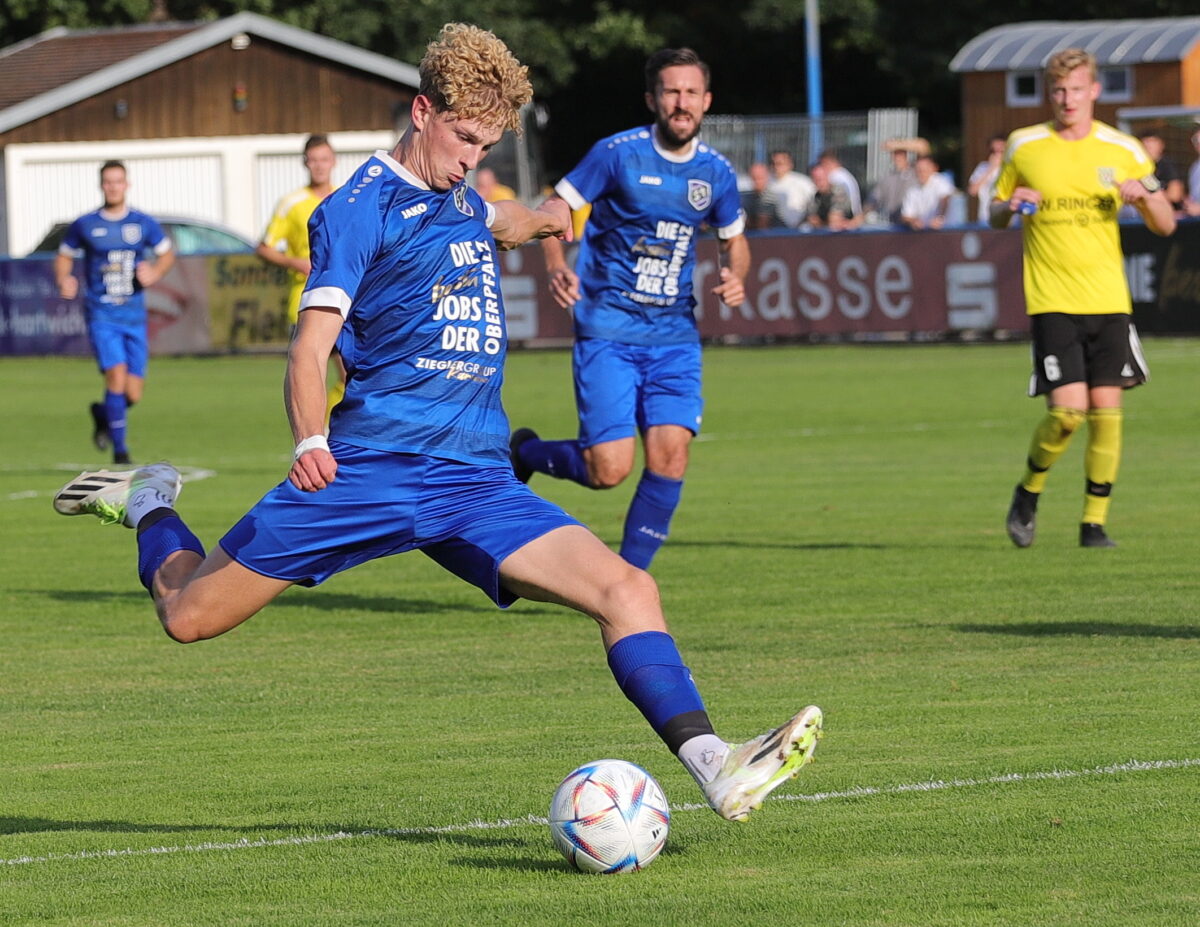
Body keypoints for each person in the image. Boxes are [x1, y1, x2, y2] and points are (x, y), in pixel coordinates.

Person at [52, 23, 821, 825]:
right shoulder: (357, 209)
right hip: (369, 469)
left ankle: (715, 762)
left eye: (486, 146)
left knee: (628, 589)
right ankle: (148, 501)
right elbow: (309, 346)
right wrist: (309, 439)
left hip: (475, 479)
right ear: (422, 112)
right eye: (463, 139)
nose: (471, 159)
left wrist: (548, 221)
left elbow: (505, 218)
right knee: (187, 616)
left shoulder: (464, 197)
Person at [512, 47, 751, 571]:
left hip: (675, 337)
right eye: (671, 91)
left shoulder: (716, 172)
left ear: (706, 101)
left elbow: (734, 240)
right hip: (609, 330)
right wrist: (555, 263)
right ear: (652, 99)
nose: (681, 102)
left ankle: (629, 583)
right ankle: (525, 453)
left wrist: (736, 275)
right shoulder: (617, 154)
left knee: (672, 457)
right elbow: (556, 206)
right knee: (608, 470)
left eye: (691, 92)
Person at [992, 48, 1175, 549]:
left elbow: (1165, 224)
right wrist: (1010, 206)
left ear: (1093, 90)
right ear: (1049, 93)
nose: (1067, 99)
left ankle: (1094, 524)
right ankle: (1028, 491)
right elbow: (993, 212)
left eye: (1076, 89)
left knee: (1108, 414)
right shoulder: (1024, 144)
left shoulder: (1123, 148)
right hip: (1051, 299)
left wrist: (1146, 197)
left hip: (1109, 299)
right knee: (1067, 414)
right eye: (1058, 90)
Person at [54, 160, 175, 465]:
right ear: (101, 185)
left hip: (134, 318)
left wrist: (156, 271)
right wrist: (63, 278)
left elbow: (166, 254)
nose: (113, 187)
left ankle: (103, 414)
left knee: (132, 394)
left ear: (127, 185)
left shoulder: (142, 223)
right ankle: (120, 453)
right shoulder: (85, 224)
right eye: (108, 182)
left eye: (118, 181)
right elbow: (64, 255)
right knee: (116, 377)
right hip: (101, 315)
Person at [256, 134, 345, 416]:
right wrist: (295, 262)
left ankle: (328, 427)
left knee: (349, 377)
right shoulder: (291, 203)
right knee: (311, 377)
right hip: (305, 300)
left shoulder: (346, 198)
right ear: (305, 163)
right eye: (313, 160)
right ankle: (314, 431)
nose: (319, 166)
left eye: (324, 160)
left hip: (343, 298)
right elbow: (264, 248)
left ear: (333, 162)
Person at [865, 138, 925, 226]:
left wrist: (897, 144)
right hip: (894, 224)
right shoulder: (888, 177)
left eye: (900, 153)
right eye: (894, 153)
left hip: (915, 224)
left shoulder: (915, 171)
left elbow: (923, 147)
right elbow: (873, 200)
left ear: (906, 154)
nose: (897, 157)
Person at [1133, 129, 1185, 213]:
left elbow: (1175, 195)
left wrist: (1149, 197)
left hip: (1171, 213)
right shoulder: (1137, 167)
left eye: (1151, 146)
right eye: (1145, 146)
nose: (1148, 149)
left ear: (1161, 145)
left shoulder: (1167, 165)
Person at [900, 155, 955, 230]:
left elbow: (945, 200)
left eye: (925, 169)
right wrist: (914, 221)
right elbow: (905, 216)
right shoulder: (912, 190)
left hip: (947, 231)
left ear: (933, 169)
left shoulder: (941, 182)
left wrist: (939, 219)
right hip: (923, 233)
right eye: (919, 170)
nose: (921, 172)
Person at [766, 150, 815, 228]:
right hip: (775, 228)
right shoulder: (766, 182)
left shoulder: (803, 181)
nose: (775, 167)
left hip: (800, 228)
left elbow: (815, 201)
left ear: (790, 165)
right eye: (773, 163)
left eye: (779, 164)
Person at [805, 162, 857, 230]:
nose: (819, 183)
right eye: (816, 179)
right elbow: (811, 219)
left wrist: (820, 223)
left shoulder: (839, 192)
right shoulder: (816, 196)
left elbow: (834, 222)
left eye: (821, 179)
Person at [967, 135, 1007, 224]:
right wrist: (990, 169)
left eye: (1001, 151)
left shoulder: (1011, 168)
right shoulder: (983, 167)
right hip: (986, 218)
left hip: (1007, 219)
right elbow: (972, 191)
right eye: (993, 151)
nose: (997, 154)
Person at [818, 150, 862, 218]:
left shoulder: (835, 175)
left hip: (845, 216)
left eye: (822, 164)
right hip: (852, 214)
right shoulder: (843, 174)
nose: (822, 167)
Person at [740, 161, 782, 230]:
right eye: (753, 178)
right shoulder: (748, 196)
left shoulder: (769, 197)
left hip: (776, 234)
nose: (756, 181)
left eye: (759, 178)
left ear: (767, 177)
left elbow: (762, 226)